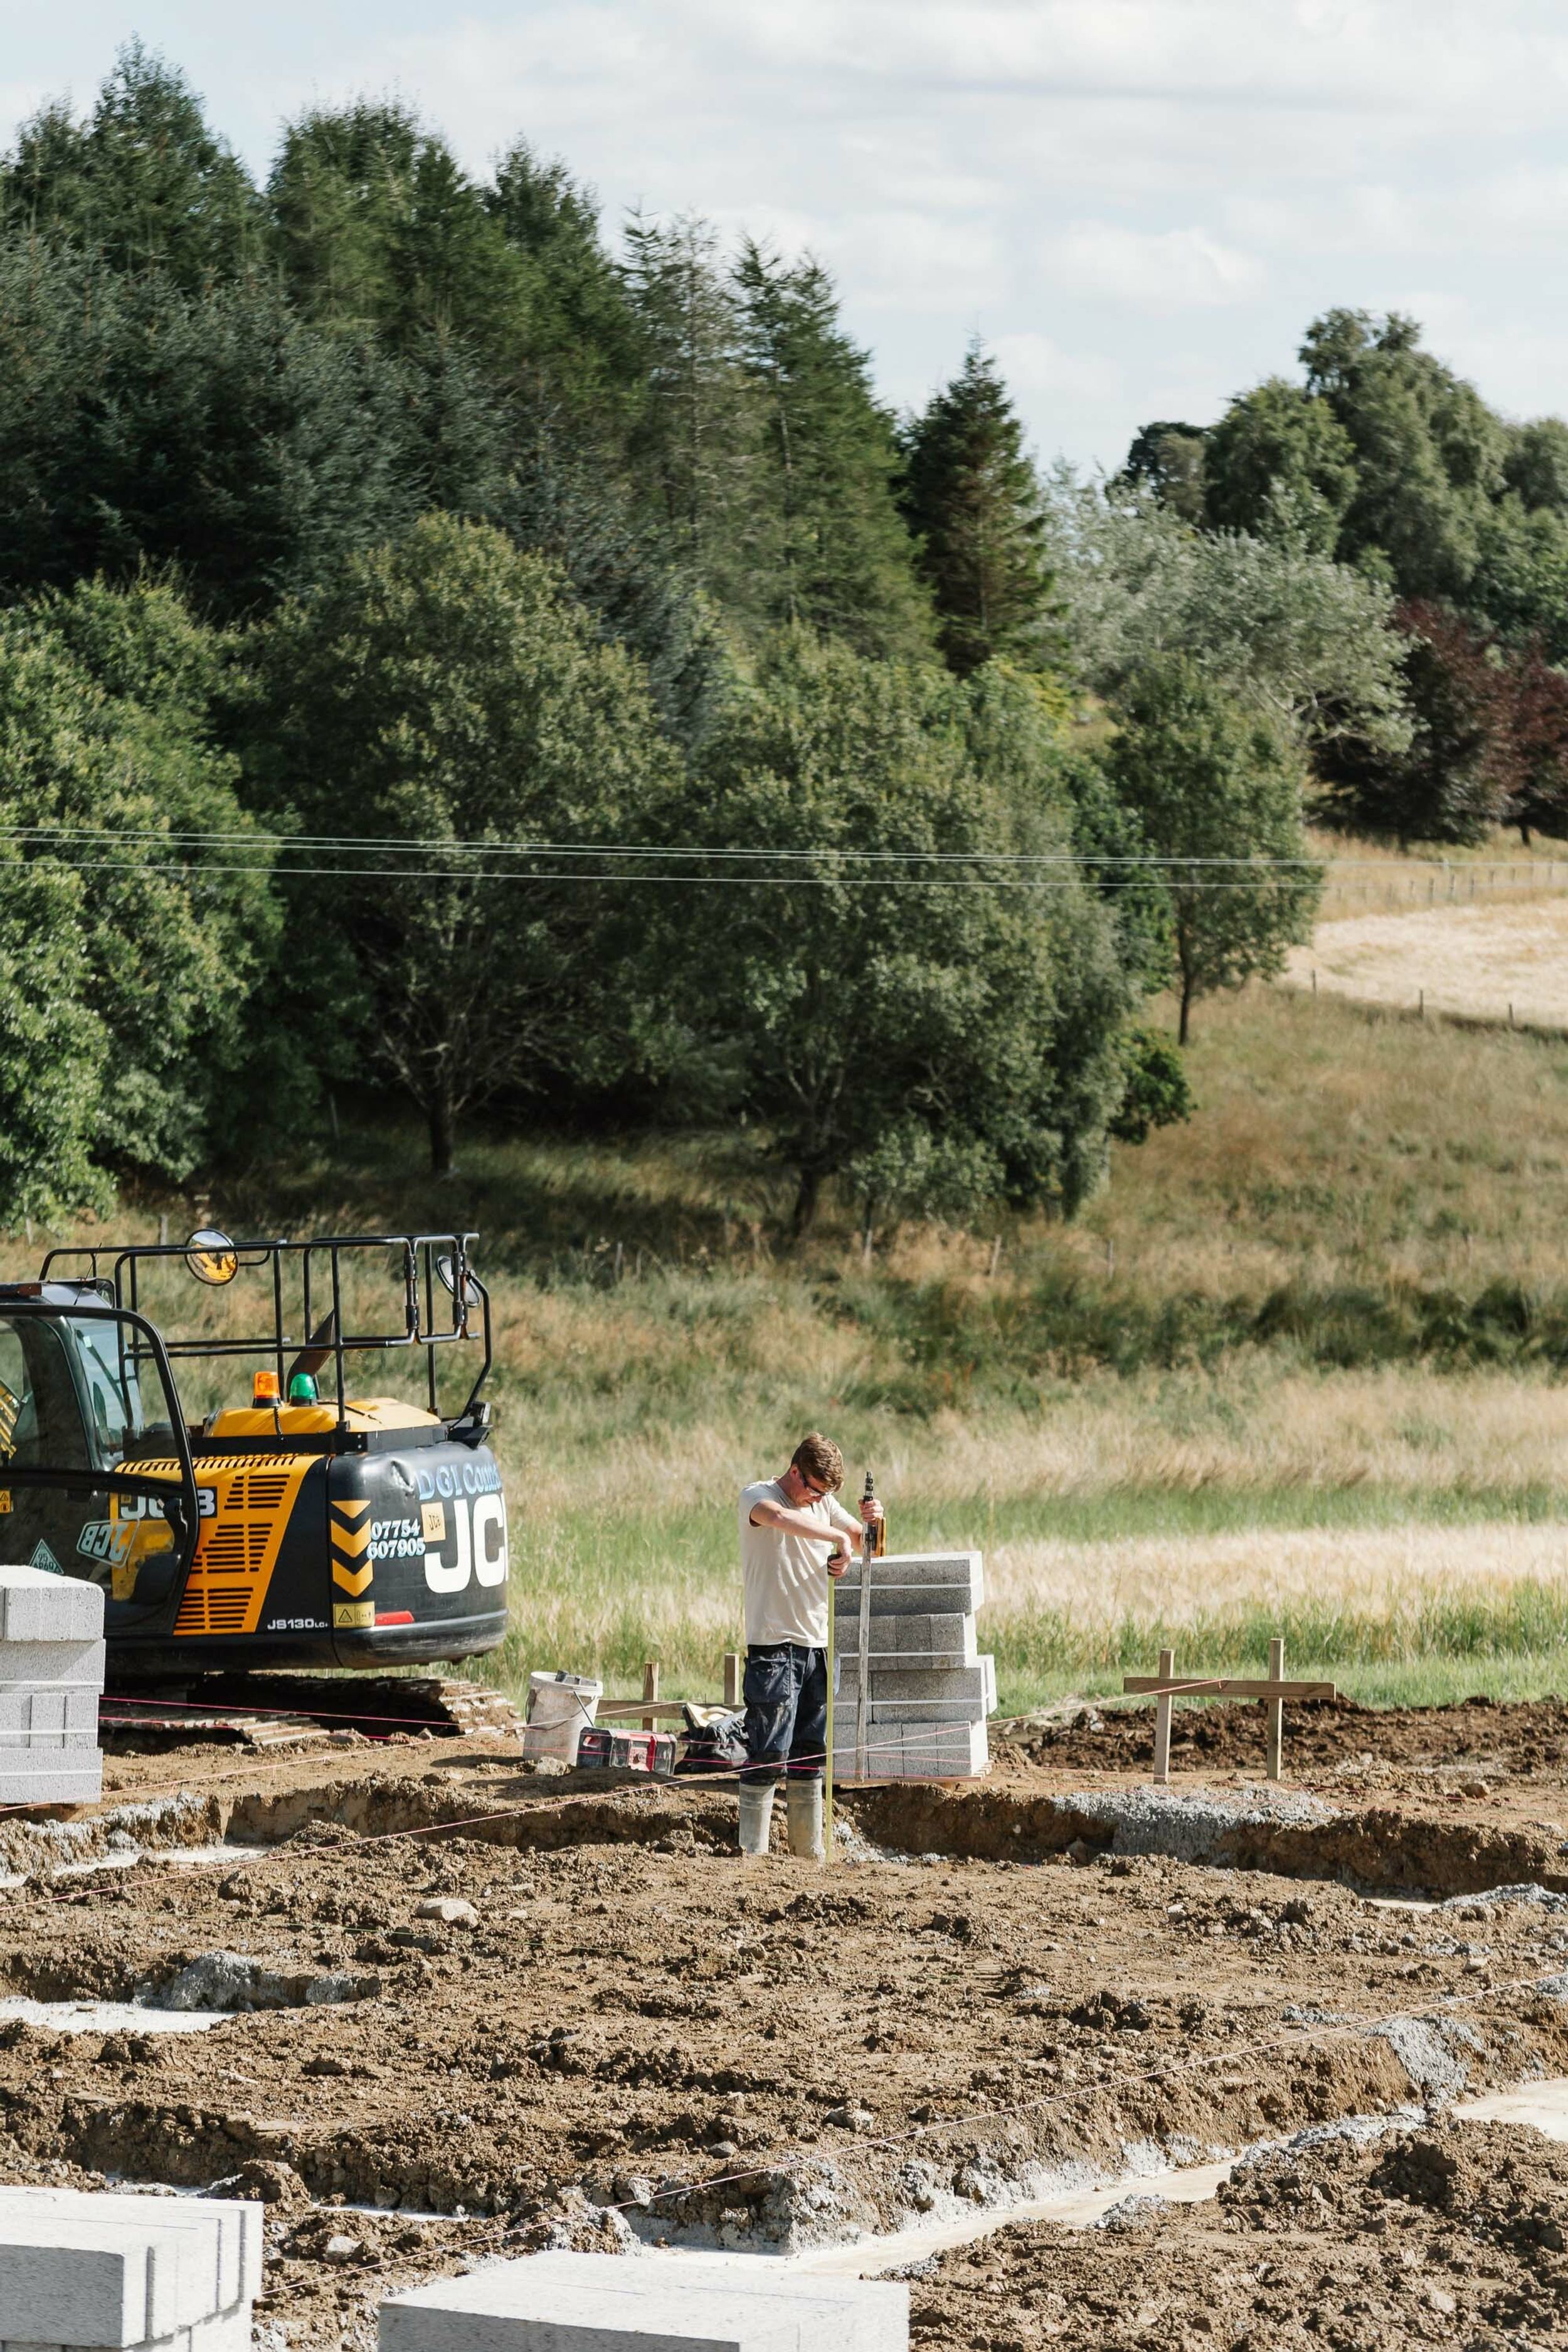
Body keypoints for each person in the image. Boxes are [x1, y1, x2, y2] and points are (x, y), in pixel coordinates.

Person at [736, 1433, 883, 1860]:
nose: (816, 1499)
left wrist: (873, 1523)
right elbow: (780, 1519)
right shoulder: (757, 1497)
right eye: (813, 1489)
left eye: (824, 1494)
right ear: (795, 1470)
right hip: (773, 1646)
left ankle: (807, 1852)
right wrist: (836, 1539)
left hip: (815, 1647)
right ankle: (753, 1854)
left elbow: (869, 1543)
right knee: (768, 1752)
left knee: (809, 1754)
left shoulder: (822, 1505)